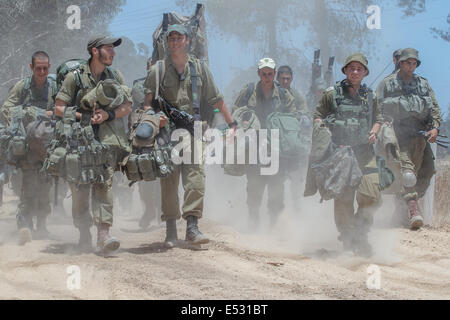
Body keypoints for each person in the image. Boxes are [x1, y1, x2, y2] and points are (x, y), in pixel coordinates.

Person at [143, 24, 236, 248]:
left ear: (187, 40)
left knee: (196, 178)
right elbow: (146, 104)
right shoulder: (158, 70)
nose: (175, 42)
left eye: (179, 38)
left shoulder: (200, 69)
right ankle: (171, 229)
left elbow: (216, 99)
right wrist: (156, 118)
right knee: (169, 180)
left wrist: (232, 124)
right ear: (167, 42)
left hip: (193, 130)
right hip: (167, 133)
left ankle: (192, 227)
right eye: (171, 38)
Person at [54, 35, 131, 253]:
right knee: (79, 191)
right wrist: (82, 116)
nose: (113, 53)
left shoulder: (115, 76)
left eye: (113, 49)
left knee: (104, 185)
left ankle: (104, 233)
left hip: (106, 141)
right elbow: (59, 107)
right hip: (80, 142)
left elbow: (127, 107)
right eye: (108, 48)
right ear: (95, 51)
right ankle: (83, 231)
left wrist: (109, 114)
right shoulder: (75, 78)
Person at [313, 53, 383, 257]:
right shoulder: (331, 94)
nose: (355, 71)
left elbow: (378, 118)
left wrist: (375, 130)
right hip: (340, 154)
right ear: (345, 71)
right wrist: (322, 128)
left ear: (365, 73)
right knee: (343, 200)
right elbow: (318, 115)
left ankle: (360, 233)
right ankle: (349, 236)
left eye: (359, 69)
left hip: (364, 153)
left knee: (372, 196)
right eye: (351, 68)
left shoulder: (371, 96)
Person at [377, 48, 442, 230]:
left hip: (420, 136)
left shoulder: (423, 84)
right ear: (400, 63)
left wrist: (435, 128)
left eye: (414, 63)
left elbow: (434, 108)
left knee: (428, 170)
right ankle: (413, 210)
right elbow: (377, 109)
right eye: (407, 62)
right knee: (407, 174)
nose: (410, 66)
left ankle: (401, 208)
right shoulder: (387, 84)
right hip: (397, 135)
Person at [233, 58, 296, 229]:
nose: (267, 77)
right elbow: (236, 111)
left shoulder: (283, 95)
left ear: (274, 74)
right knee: (254, 184)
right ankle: (253, 222)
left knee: (277, 186)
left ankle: (274, 225)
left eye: (270, 73)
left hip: (277, 146)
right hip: (254, 144)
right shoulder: (249, 91)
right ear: (259, 74)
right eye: (264, 73)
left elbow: (293, 117)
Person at [1, 51, 56, 245]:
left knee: (46, 185)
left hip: (47, 145)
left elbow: (63, 108)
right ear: (31, 67)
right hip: (27, 146)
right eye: (38, 68)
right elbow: (7, 108)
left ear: (49, 68)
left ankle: (42, 223)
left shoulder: (54, 87)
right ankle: (24, 224)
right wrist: (31, 113)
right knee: (28, 185)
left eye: (45, 68)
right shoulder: (22, 87)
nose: (42, 72)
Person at [131, 58, 162, 229]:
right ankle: (149, 209)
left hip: (165, 133)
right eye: (150, 68)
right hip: (144, 134)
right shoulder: (139, 86)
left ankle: (164, 212)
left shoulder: (170, 84)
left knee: (166, 174)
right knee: (145, 173)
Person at [276, 65, 311, 211]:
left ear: (291, 79)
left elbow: (306, 114)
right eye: (282, 78)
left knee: (296, 180)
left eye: (288, 79)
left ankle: (297, 209)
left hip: (293, 145)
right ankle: (277, 210)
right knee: (276, 181)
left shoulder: (296, 95)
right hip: (276, 144)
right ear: (277, 78)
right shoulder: (272, 93)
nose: (285, 81)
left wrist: (303, 118)